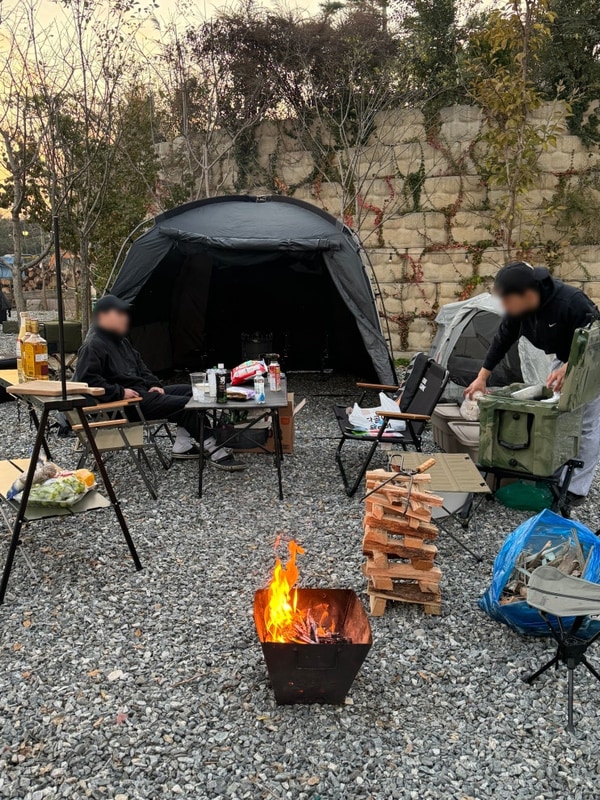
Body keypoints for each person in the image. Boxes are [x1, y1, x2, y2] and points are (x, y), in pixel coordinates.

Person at [465, 261, 600, 505]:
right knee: (557, 417)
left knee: (586, 424)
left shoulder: (571, 301)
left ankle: (576, 489)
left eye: (507, 300)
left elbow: (595, 338)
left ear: (528, 294)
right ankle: (552, 474)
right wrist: (482, 377)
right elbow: (502, 339)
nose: (504, 306)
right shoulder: (518, 311)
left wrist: (570, 368)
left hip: (590, 361)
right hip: (563, 358)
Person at [75, 295, 245, 471]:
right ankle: (214, 449)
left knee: (192, 392)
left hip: (142, 394)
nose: (125, 317)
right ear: (103, 316)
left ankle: (183, 445)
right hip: (124, 405)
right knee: (188, 404)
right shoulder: (93, 345)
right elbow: (88, 381)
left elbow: (142, 368)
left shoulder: (122, 341)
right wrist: (120, 392)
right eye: (119, 313)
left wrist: (153, 384)